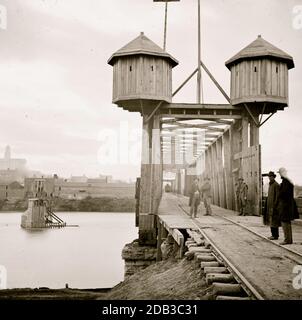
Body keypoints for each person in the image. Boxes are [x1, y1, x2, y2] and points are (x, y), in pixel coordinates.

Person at [277, 167, 299, 245]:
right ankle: (288, 239)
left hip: (285, 206)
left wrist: (279, 191)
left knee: (284, 221)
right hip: (287, 205)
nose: (280, 175)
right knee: (286, 222)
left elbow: (283, 193)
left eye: (280, 173)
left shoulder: (285, 182)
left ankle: (287, 240)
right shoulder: (287, 181)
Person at [263, 171, 280, 240]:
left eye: (271, 176)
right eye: (269, 176)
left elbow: (277, 197)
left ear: (274, 177)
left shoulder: (276, 185)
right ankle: (273, 234)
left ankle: (275, 235)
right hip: (269, 206)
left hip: (274, 207)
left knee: (274, 221)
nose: (270, 178)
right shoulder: (270, 185)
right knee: (271, 221)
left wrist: (275, 206)